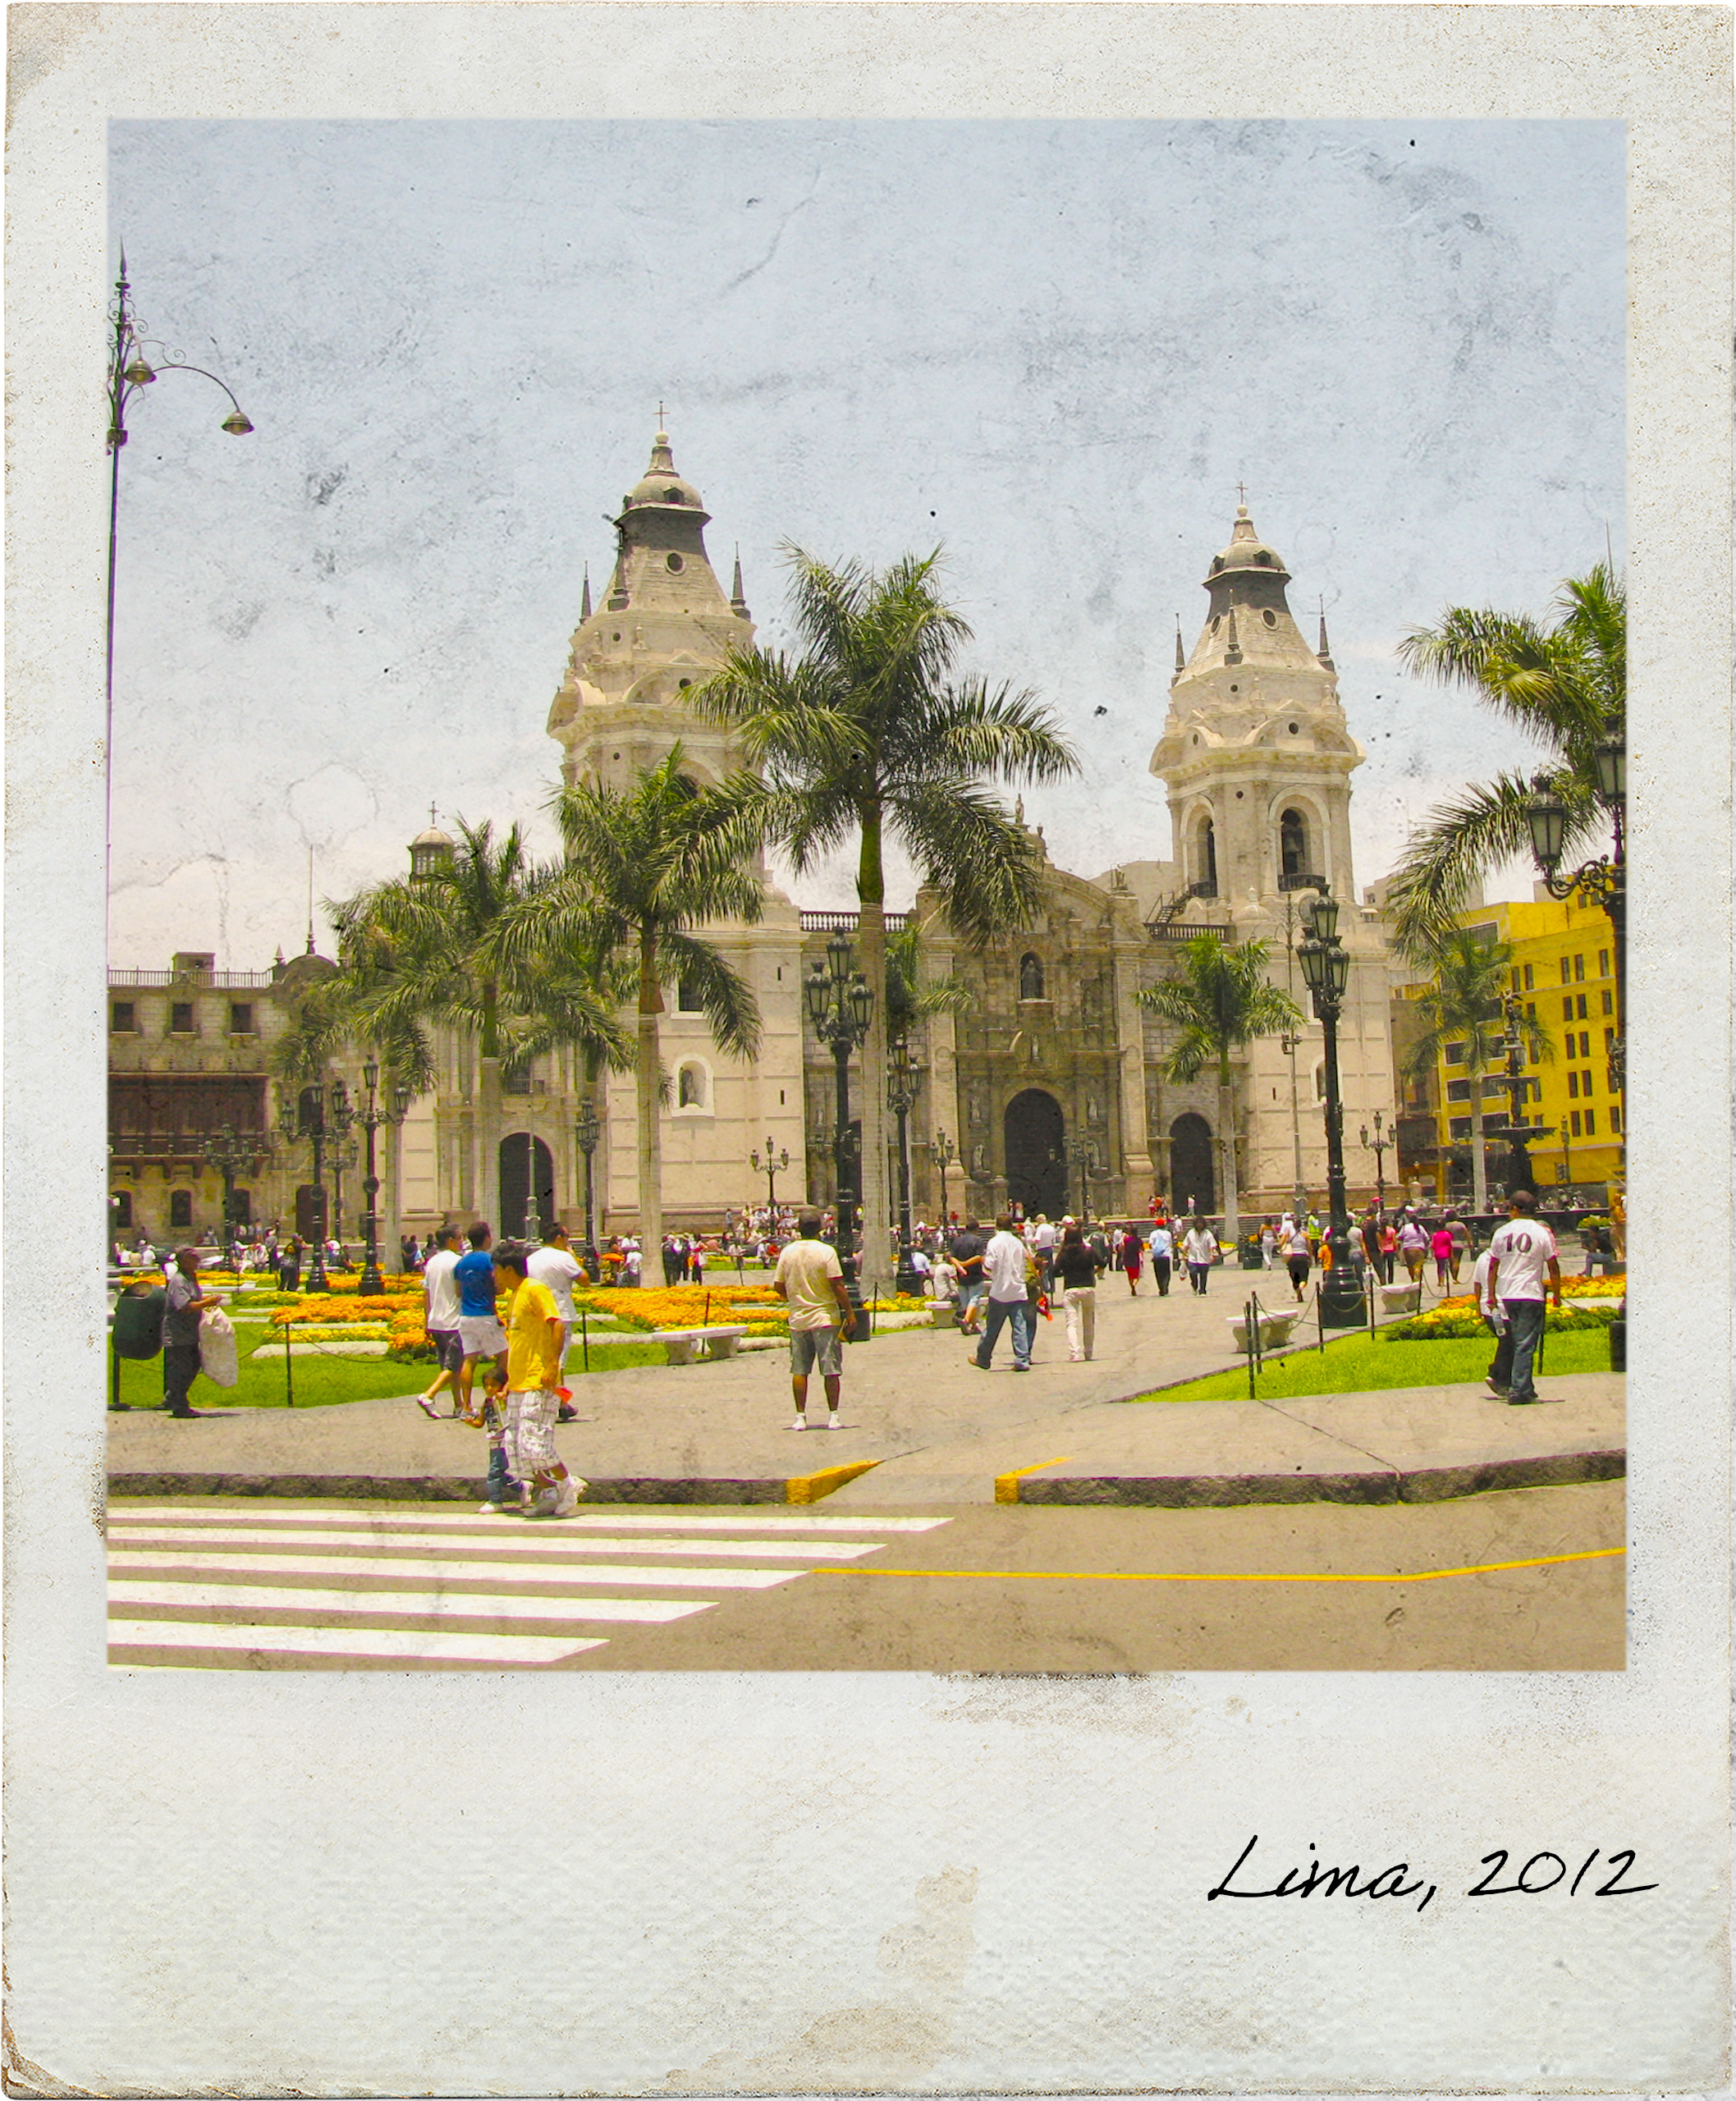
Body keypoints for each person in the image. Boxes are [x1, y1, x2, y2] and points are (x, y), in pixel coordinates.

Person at [493, 1241, 584, 1517]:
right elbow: (518, 1341)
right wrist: (508, 1378)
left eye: (495, 1270)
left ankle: (568, 1483)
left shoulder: (535, 1289)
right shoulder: (515, 1295)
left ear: (508, 1269)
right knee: (516, 1446)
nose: (493, 1276)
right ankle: (547, 1492)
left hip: (538, 1379)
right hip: (519, 1381)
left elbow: (555, 1323)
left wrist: (552, 1365)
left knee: (535, 1443)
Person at [772, 1211, 856, 1430]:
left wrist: (794, 1297)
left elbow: (778, 1285)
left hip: (798, 1318)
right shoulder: (826, 1252)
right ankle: (833, 1416)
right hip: (825, 1317)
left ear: (798, 1228)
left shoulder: (787, 1252)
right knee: (830, 1369)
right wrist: (850, 1312)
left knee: (799, 1370)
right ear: (819, 1229)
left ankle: (800, 1416)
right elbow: (837, 1285)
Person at [1485, 1191, 1563, 1406]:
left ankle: (1525, 1386)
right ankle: (1518, 1389)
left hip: (1508, 1293)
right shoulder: (1542, 1231)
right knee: (1525, 1343)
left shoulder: (1502, 1232)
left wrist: (1491, 1294)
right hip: (1530, 1293)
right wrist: (1557, 1293)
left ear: (1515, 1209)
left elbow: (1493, 1265)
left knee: (1521, 1340)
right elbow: (1553, 1265)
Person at [527, 1223, 585, 1422]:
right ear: (559, 1239)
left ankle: (560, 1404)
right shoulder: (564, 1257)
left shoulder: (531, 1259)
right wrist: (574, 1257)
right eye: (567, 1237)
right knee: (558, 1361)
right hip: (560, 1310)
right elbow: (585, 1279)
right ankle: (553, 1404)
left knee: (542, 1358)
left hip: (537, 1313)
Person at [453, 1221, 507, 1419]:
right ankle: (498, 1395)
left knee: (469, 1360)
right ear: (486, 1238)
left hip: (466, 1316)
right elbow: (499, 1287)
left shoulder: (461, 1263)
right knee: (503, 1355)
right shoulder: (489, 1260)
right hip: (485, 1313)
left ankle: (467, 1406)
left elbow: (458, 1291)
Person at [161, 1247, 222, 1417]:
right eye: (194, 1259)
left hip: (190, 1333)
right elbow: (185, 1307)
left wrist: (206, 1301)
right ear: (184, 1261)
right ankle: (179, 1406)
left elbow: (193, 1300)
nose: (197, 1262)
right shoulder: (179, 1281)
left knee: (194, 1365)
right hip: (178, 1334)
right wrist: (207, 1302)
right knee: (182, 1369)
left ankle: (172, 1397)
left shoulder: (190, 1279)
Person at [970, 1214, 1034, 1372]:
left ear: (996, 1226)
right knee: (1020, 1326)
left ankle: (984, 1358)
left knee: (992, 1327)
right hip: (1018, 1290)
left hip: (1000, 1291)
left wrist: (982, 1260)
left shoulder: (994, 1242)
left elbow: (991, 1264)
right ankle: (1022, 1359)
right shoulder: (1018, 1242)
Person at [416, 1224, 465, 1418]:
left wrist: (426, 1319)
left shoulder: (432, 1262)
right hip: (453, 1320)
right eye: (460, 1238)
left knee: (451, 1366)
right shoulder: (458, 1262)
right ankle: (429, 1395)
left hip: (436, 1320)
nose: (462, 1242)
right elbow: (460, 1291)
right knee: (453, 1366)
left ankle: (459, 1404)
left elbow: (426, 1294)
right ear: (451, 1241)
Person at [1054, 1223, 1102, 1363]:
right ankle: (1089, 1352)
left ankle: (1074, 1353)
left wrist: (1066, 1272)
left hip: (1071, 1288)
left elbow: (1055, 1271)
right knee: (1089, 1322)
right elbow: (1102, 1263)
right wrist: (1093, 1272)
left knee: (1071, 1323)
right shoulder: (1089, 1250)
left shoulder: (1064, 1253)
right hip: (1088, 1287)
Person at [950, 1219, 987, 1334]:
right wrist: (965, 1264)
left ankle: (974, 1325)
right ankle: (966, 1321)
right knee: (974, 1299)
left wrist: (960, 1267)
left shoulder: (957, 1241)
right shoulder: (977, 1240)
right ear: (976, 1229)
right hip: (975, 1274)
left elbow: (952, 1257)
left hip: (961, 1276)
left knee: (965, 1301)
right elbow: (979, 1257)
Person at [1181, 1219, 1218, 1295]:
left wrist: (1212, 1254)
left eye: (1201, 1223)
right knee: (1193, 1273)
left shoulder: (1208, 1234)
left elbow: (1211, 1245)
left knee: (1203, 1275)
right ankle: (1194, 1286)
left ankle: (1202, 1290)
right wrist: (1184, 1255)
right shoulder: (1191, 1233)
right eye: (1198, 1223)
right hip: (1193, 1258)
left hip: (1204, 1258)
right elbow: (1187, 1244)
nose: (1199, 1225)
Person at [1284, 1216, 1312, 1301]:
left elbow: (1281, 1243)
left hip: (1292, 1257)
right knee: (1304, 1278)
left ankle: (1297, 1290)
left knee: (1294, 1277)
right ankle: (1301, 1287)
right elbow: (1309, 1248)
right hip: (1303, 1257)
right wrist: (1310, 1259)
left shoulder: (1288, 1233)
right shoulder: (1305, 1234)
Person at [1397, 1215, 1429, 1283]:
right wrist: (1425, 1246)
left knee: (1410, 1265)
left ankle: (1413, 1280)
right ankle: (1418, 1279)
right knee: (1418, 1265)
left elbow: (1399, 1237)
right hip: (1419, 1247)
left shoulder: (1405, 1227)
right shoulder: (1420, 1227)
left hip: (1408, 1248)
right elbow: (1426, 1237)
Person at [1147, 1217, 1174, 1297]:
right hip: (1166, 1255)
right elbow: (1170, 1244)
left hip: (1157, 1257)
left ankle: (1161, 1288)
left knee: (1158, 1273)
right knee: (1166, 1273)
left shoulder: (1153, 1233)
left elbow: (1150, 1244)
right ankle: (1165, 1286)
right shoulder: (1168, 1234)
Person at [1429, 1220, 1455, 1289]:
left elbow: (1432, 1246)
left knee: (1439, 1267)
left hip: (1438, 1253)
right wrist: (1451, 1255)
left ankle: (1439, 1280)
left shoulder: (1435, 1235)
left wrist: (1432, 1254)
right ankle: (1442, 1281)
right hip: (1445, 1253)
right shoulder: (1447, 1234)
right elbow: (1450, 1245)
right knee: (1443, 1268)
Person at [1120, 1224, 1144, 1296]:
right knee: (1136, 1276)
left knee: (1129, 1275)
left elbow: (1122, 1247)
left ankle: (1132, 1287)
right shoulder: (1139, 1240)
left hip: (1127, 1258)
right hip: (1135, 1258)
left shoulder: (1127, 1240)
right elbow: (1142, 1249)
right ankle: (1134, 1285)